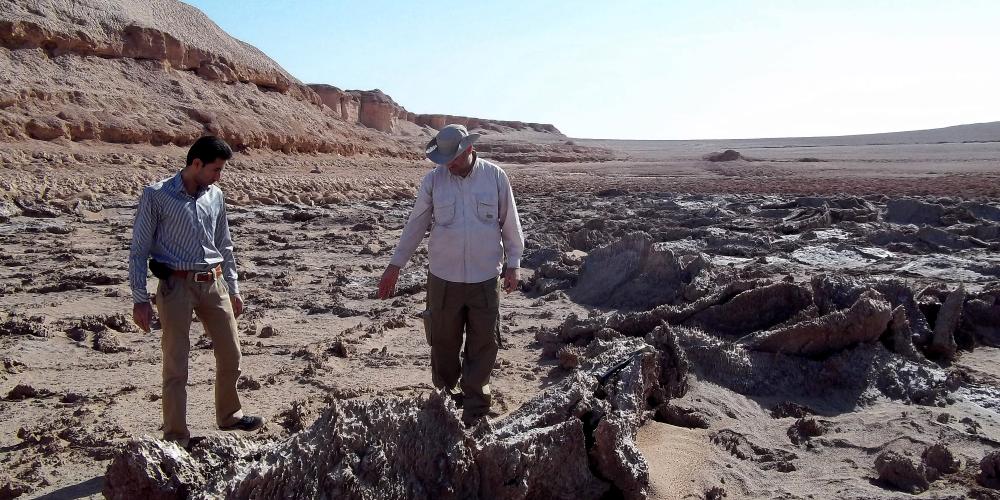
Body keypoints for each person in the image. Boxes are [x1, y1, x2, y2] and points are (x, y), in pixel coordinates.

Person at [377, 124, 525, 426]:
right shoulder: (433, 181)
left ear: (469, 150)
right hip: (443, 278)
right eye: (444, 160)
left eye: (454, 158)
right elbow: (415, 224)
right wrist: (395, 265)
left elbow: (510, 220)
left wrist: (514, 263)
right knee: (443, 342)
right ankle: (446, 399)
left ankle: (475, 407)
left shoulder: (495, 177)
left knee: (483, 342)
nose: (449, 165)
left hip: (485, 277)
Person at [128, 136, 263, 446]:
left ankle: (229, 415)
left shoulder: (216, 196)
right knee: (176, 362)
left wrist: (234, 287)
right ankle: (176, 436)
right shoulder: (157, 195)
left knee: (232, 353)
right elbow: (139, 250)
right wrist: (140, 299)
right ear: (196, 164)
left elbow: (225, 244)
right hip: (175, 285)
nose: (219, 176)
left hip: (214, 283)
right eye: (215, 169)